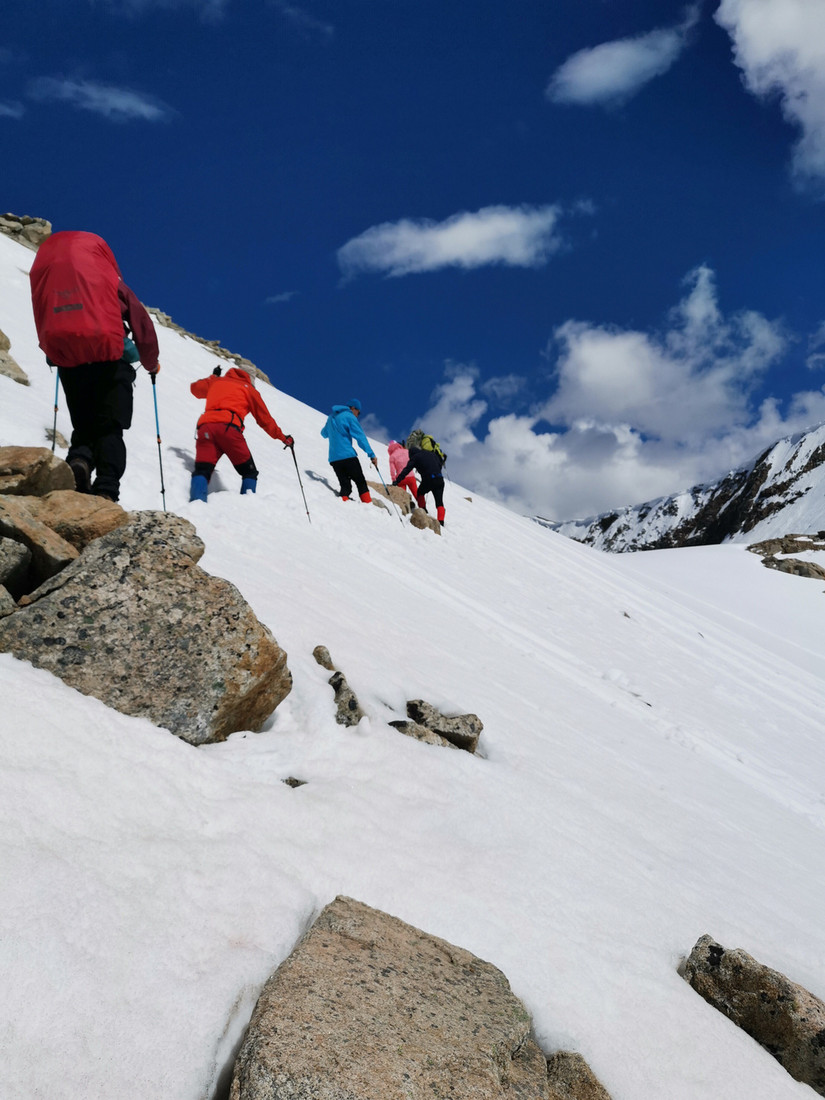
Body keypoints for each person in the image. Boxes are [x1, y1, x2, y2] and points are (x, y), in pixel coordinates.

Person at [29, 230, 160, 502]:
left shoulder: (49, 282)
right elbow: (141, 323)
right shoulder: (108, 279)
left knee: (85, 424)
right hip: (111, 361)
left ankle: (79, 460)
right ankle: (106, 489)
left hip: (70, 363)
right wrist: (151, 362)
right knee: (110, 426)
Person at [189, 365, 293, 501]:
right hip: (229, 430)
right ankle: (247, 505)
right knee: (249, 472)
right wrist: (283, 438)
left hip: (206, 428)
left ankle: (197, 504)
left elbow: (195, 389)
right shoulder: (248, 389)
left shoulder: (217, 381)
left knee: (203, 469)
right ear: (250, 378)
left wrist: (213, 377)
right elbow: (265, 420)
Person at [320, 399, 377, 502]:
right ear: (353, 408)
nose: (357, 415)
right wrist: (371, 455)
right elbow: (360, 437)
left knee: (345, 485)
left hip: (334, 459)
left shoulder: (331, 417)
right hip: (348, 456)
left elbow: (323, 434)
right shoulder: (349, 417)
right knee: (360, 481)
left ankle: (344, 502)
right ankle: (368, 503)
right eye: (358, 413)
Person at [392, 443, 447, 525]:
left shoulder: (415, 457)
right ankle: (441, 522)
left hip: (429, 479)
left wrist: (397, 481)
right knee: (439, 502)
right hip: (440, 479)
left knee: (420, 493)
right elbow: (439, 465)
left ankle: (423, 510)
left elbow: (406, 470)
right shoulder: (431, 454)